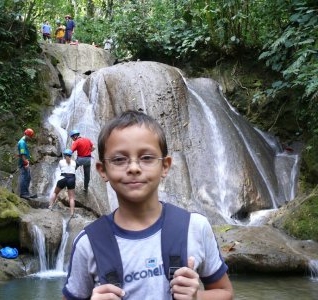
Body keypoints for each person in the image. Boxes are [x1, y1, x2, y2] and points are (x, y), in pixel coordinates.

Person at [62, 111, 234, 299]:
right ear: (102, 170)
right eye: (119, 160)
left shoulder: (195, 227)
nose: (134, 168)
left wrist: (197, 297)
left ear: (165, 166)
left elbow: (225, 292)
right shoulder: (88, 243)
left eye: (147, 158)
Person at [49, 149, 77, 218]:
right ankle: (72, 214)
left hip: (63, 177)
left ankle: (50, 206)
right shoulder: (74, 162)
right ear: (71, 155)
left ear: (64, 155)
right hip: (71, 178)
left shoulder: (61, 161)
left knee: (55, 192)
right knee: (71, 198)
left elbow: (61, 168)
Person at [17, 128, 35, 200]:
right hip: (24, 163)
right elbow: (22, 154)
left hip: (25, 162)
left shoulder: (23, 142)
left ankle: (26, 193)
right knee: (24, 177)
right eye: (30, 137)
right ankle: (23, 193)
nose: (30, 139)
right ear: (26, 135)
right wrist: (25, 162)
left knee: (27, 177)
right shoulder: (22, 143)